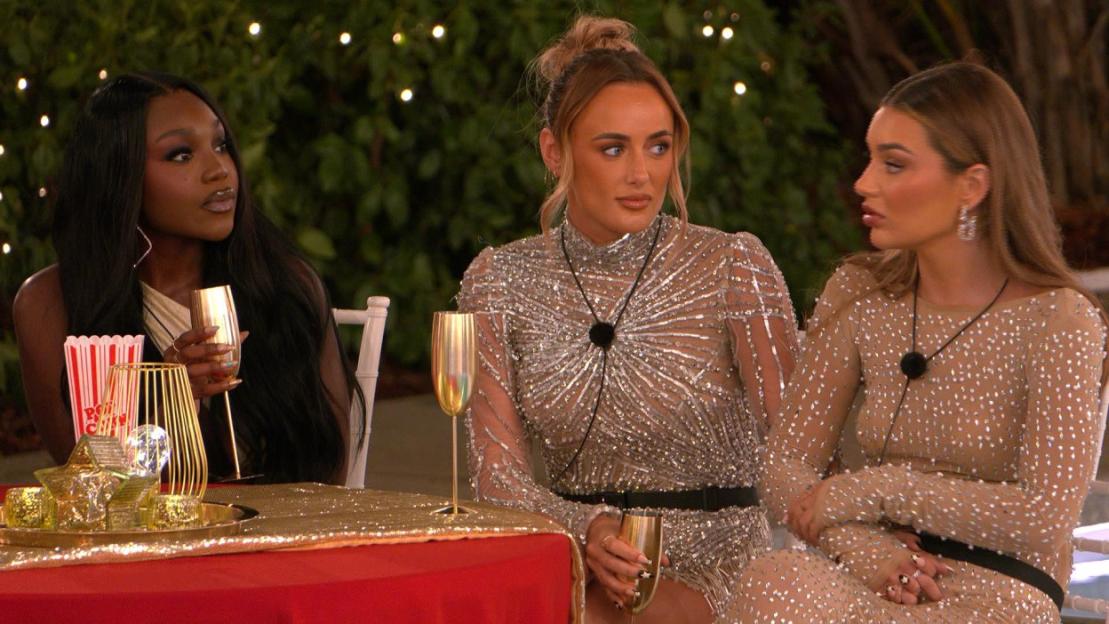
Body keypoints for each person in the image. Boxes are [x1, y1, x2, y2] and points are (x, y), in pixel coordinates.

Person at [731, 61, 1109, 623]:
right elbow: (785, 464)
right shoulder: (861, 294)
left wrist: (874, 491)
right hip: (871, 572)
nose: (864, 183)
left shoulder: (1059, 320)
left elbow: (1045, 514)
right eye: (870, 158)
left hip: (1000, 590)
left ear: (972, 186)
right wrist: (864, 549)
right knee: (771, 581)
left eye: (894, 164)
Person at [457, 16, 798, 623]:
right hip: (571, 552)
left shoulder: (732, 265)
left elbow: (798, 446)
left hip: (716, 559)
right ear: (553, 151)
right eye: (613, 148)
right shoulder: (498, 280)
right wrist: (584, 527)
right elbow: (495, 477)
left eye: (658, 146)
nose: (642, 174)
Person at [14, 72, 361, 485]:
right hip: (143, 545)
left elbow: (331, 475)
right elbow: (84, 488)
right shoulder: (50, 303)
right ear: (119, 175)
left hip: (284, 539)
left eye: (221, 145)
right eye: (181, 154)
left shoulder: (285, 285)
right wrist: (172, 398)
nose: (219, 171)